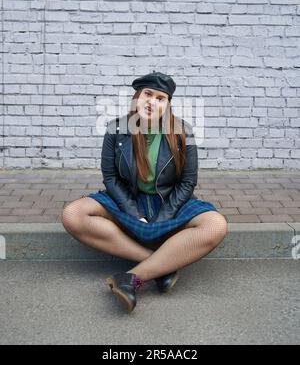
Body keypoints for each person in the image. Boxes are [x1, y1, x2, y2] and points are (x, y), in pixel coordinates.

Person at [61, 71, 228, 313]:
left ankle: (131, 278)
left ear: (167, 104)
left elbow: (187, 182)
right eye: (147, 94)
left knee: (216, 225)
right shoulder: (116, 129)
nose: (152, 101)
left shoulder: (183, 131)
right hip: (128, 197)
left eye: (160, 98)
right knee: (73, 214)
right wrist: (131, 210)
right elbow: (110, 177)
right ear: (137, 97)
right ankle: (161, 265)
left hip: (169, 200)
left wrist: (163, 217)